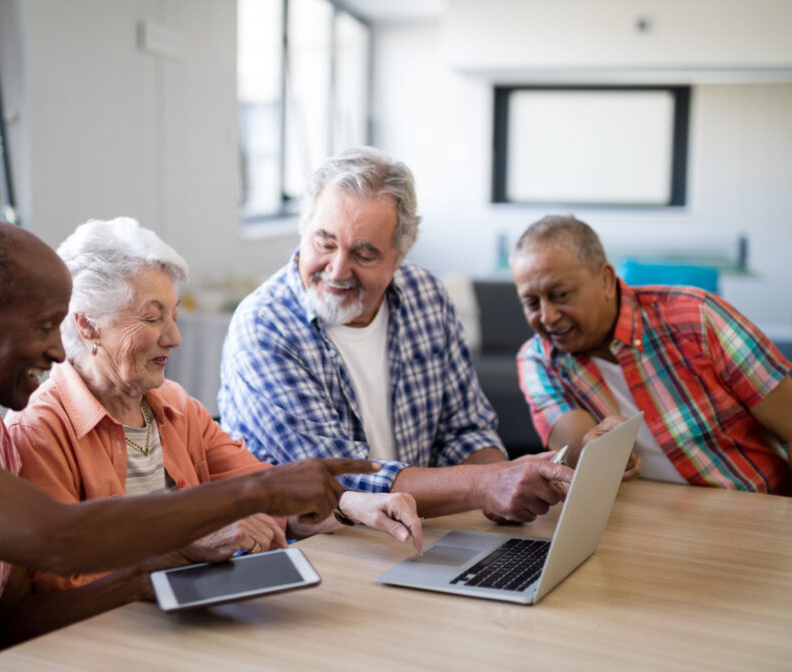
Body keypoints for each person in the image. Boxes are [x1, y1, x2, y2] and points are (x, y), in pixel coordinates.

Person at [0, 218, 376, 670]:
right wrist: (257, 489)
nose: (58, 354)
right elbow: (58, 539)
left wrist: (148, 578)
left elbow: (15, 623)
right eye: (43, 327)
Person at [5, 217, 423, 593]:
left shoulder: (175, 406)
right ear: (86, 324)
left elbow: (266, 492)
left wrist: (355, 505)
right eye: (152, 319)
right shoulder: (39, 430)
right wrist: (184, 545)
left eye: (174, 316)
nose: (174, 338)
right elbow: (60, 583)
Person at [218, 147, 575, 525]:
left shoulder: (426, 296)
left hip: (414, 535)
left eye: (364, 254)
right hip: (314, 548)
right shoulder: (264, 327)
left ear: (398, 258)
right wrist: (485, 484)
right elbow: (336, 478)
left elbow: (464, 429)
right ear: (304, 231)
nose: (337, 270)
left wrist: (502, 488)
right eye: (325, 244)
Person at [510, 214, 792, 501]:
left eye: (560, 295)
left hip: (757, 510)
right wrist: (599, 453)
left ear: (606, 280)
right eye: (532, 303)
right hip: (650, 527)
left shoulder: (698, 317)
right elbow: (579, 454)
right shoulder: (539, 360)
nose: (548, 317)